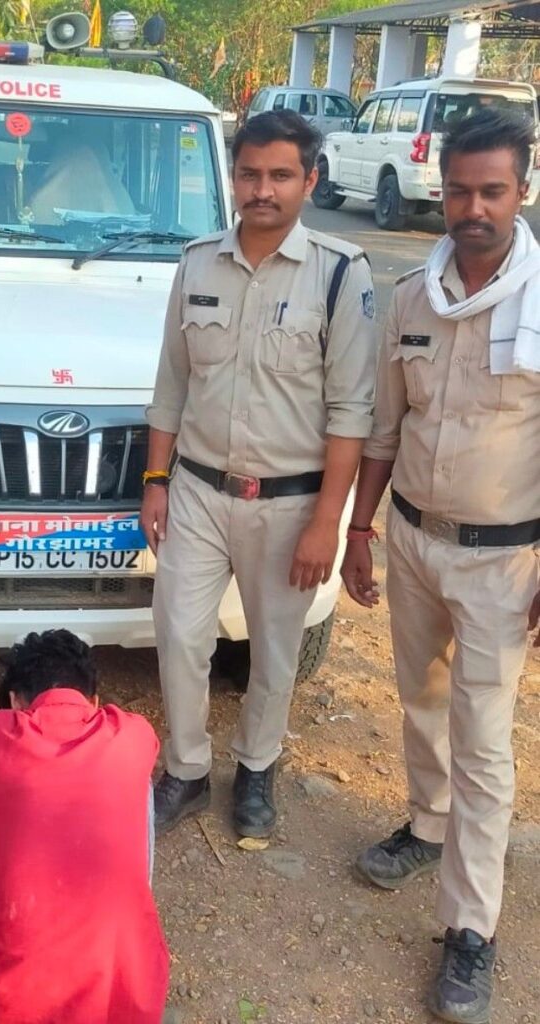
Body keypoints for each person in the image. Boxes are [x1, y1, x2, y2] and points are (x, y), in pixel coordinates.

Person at [340, 109, 540, 1024]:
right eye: (458, 190)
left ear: (521, 191)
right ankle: (426, 822)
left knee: (484, 741)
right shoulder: (412, 296)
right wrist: (359, 527)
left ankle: (469, 928)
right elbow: (386, 427)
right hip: (415, 541)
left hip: (503, 560)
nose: (472, 208)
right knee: (418, 697)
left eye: (491, 191)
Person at [142, 109, 378, 837]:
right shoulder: (196, 262)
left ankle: (255, 769)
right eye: (249, 174)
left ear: (310, 180)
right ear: (232, 177)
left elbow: (352, 412)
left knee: (273, 651)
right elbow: (171, 385)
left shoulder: (340, 273)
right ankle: (185, 770)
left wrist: (326, 523)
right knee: (179, 634)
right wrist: (155, 481)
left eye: (280, 175)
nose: (262, 190)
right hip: (197, 492)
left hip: (289, 503)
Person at [0, 629, 168, 1024]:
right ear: (94, 700)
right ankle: (116, 937)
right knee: (134, 775)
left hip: (6, 1007)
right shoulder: (133, 732)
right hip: (125, 1002)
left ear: (15, 701)